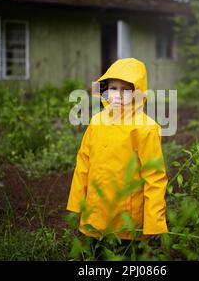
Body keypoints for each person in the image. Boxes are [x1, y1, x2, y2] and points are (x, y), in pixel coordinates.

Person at [66, 58, 168, 257]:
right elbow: (83, 162)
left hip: (128, 219)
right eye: (113, 88)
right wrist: (77, 203)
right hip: (95, 214)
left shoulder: (145, 127)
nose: (118, 95)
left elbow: (154, 176)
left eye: (126, 90)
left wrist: (154, 221)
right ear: (105, 89)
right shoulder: (96, 121)